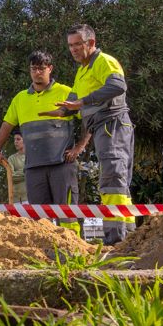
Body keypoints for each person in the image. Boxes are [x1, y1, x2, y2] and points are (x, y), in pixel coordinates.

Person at [43, 24, 136, 244]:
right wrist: (62, 111)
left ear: (91, 43)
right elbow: (74, 98)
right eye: (70, 46)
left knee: (113, 179)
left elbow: (117, 85)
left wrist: (82, 102)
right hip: (102, 128)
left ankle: (117, 240)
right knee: (116, 182)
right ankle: (130, 238)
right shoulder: (83, 70)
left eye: (77, 44)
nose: (73, 49)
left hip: (113, 125)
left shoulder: (104, 61)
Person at [0, 50, 82, 235]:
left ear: (50, 69)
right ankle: (45, 258)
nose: (37, 72)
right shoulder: (20, 99)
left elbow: (88, 119)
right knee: (39, 220)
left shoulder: (66, 92)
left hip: (62, 166)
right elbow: (6, 126)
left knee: (68, 217)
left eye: (41, 68)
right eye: (34, 69)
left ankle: (74, 255)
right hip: (34, 168)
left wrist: (79, 147)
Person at [7, 132, 28, 203]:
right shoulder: (11, 158)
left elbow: (38, 175)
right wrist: (28, 172)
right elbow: (11, 177)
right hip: (17, 200)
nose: (15, 141)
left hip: (32, 197)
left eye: (18, 139)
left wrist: (19, 172)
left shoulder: (33, 156)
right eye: (14, 139)